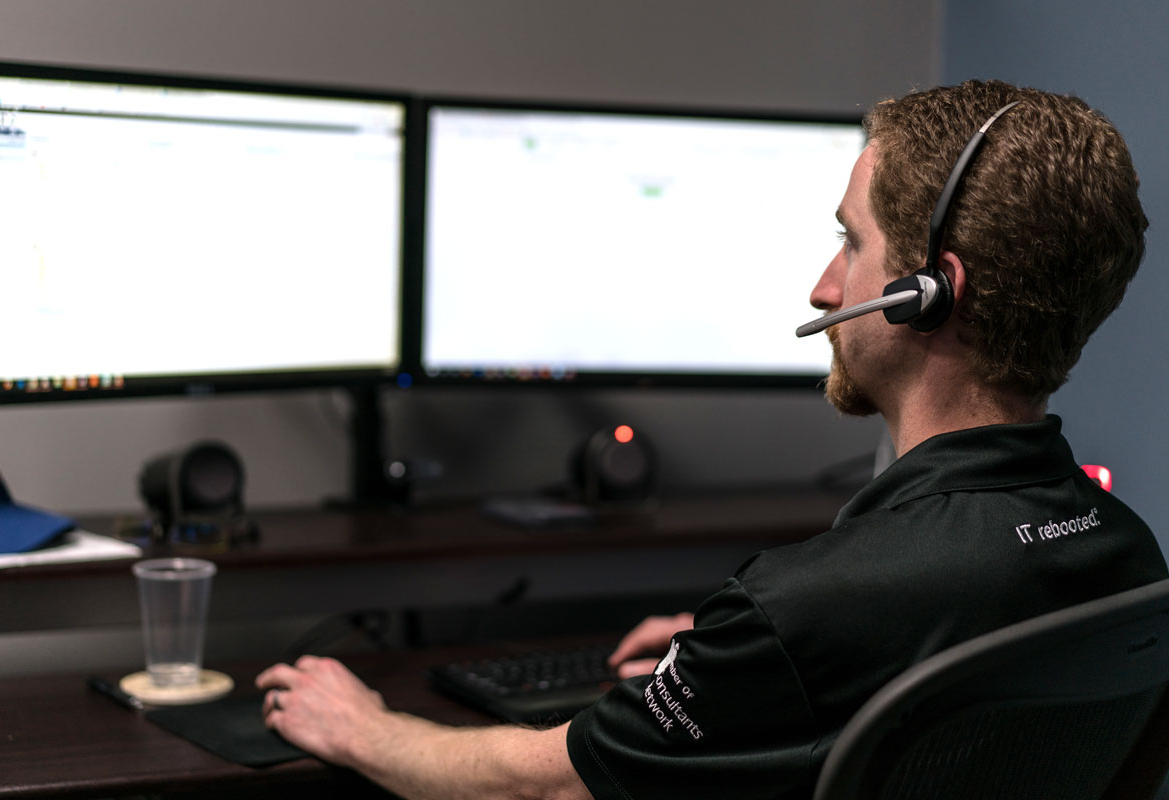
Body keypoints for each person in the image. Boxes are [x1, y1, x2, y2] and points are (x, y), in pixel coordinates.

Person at [255, 80, 1168, 799]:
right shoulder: (1128, 557)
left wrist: (362, 728)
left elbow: (545, 788)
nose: (822, 287)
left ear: (931, 290)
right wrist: (735, 666)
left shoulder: (806, 606)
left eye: (850, 243)